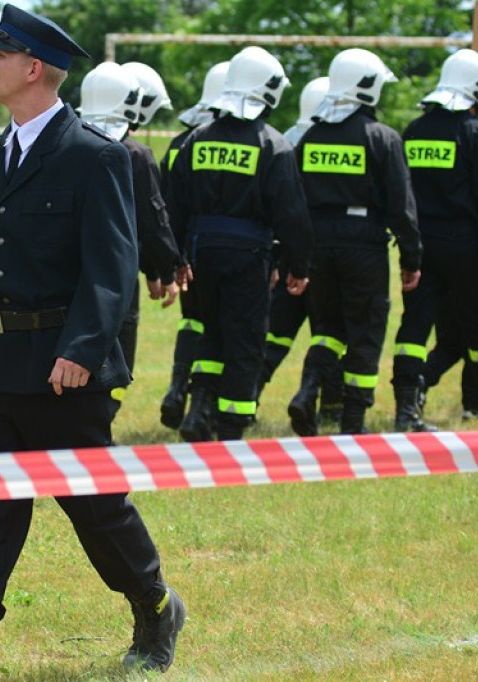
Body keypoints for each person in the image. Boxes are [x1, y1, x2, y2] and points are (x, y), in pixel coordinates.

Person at [0, 7, 185, 680]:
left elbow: (112, 268)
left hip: (61, 367)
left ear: (34, 69)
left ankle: (155, 604)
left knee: (95, 508)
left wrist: (83, 350)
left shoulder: (95, 156)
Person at [169, 46, 312, 442]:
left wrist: (176, 257)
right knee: (246, 341)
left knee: (211, 332)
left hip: (199, 254)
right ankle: (231, 427)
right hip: (248, 257)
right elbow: (292, 216)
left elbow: (173, 206)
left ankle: (199, 413)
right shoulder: (274, 144)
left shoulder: (195, 140)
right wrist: (299, 267)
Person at [287, 48, 421, 436]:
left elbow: (294, 201)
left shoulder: (309, 138)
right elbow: (401, 206)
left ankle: (307, 390)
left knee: (327, 327)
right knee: (364, 330)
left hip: (317, 246)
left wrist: (294, 256)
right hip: (363, 246)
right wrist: (411, 256)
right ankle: (353, 423)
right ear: (370, 86)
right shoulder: (383, 137)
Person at [390, 48, 478, 432]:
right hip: (465, 245)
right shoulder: (475, 134)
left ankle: (406, 407)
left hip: (420, 245)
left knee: (414, 327)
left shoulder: (413, 130)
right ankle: (474, 406)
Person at [78, 60, 180, 412]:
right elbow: (152, 219)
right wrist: (165, 270)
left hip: (64, 270)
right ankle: (100, 424)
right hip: (115, 278)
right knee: (118, 356)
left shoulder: (65, 142)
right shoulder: (134, 153)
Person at [258, 76, 344, 429]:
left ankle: (244, 399)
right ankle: (319, 399)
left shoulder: (287, 140)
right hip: (329, 251)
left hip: (285, 254)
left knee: (277, 333)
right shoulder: (339, 138)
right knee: (333, 329)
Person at [157, 60, 229, 431]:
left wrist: (174, 255)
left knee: (193, 321)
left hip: (186, 248)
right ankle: (202, 406)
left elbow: (166, 203)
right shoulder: (231, 139)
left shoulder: (179, 143)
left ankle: (175, 389)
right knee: (218, 329)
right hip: (227, 249)